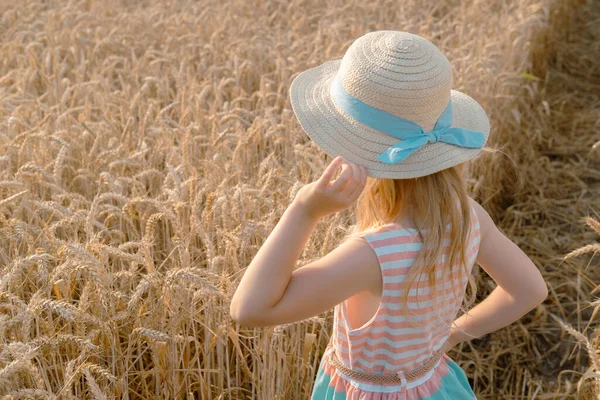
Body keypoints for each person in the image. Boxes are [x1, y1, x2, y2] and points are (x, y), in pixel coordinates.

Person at [229, 31, 547, 399]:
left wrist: (304, 210)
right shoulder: (468, 215)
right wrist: (453, 334)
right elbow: (530, 289)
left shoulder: (371, 254)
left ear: (353, 147)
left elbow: (249, 309)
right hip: (436, 386)